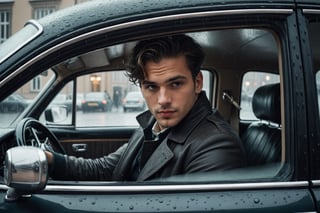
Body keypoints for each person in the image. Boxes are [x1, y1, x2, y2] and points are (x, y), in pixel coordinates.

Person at [46, 34, 247, 181]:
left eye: (175, 84)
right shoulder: (153, 125)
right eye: (151, 86)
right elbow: (106, 168)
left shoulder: (216, 145)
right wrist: (49, 160)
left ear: (197, 82)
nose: (163, 100)